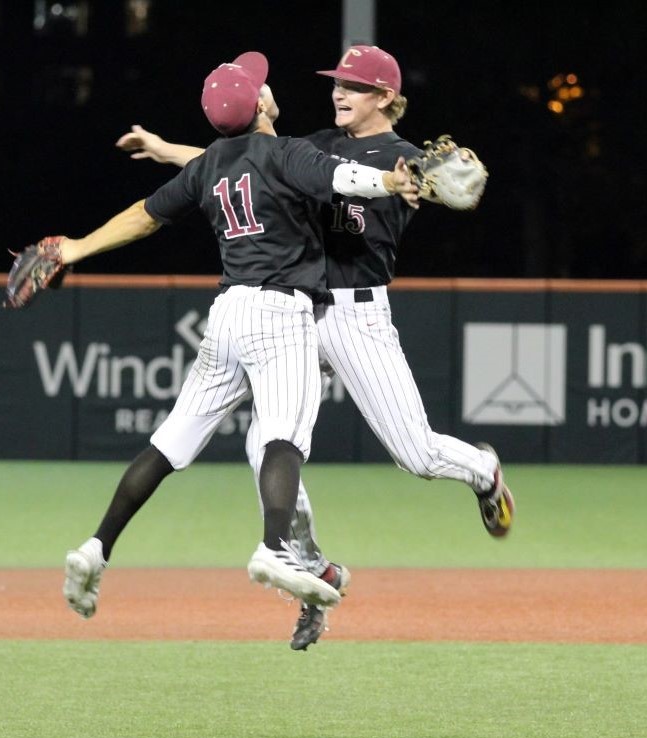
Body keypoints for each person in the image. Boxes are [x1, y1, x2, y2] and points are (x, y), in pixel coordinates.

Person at [115, 45, 515, 650]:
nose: (339, 92)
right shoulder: (313, 145)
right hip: (292, 312)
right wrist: (167, 150)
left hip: (356, 315)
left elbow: (423, 186)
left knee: (417, 454)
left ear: (386, 96)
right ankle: (309, 575)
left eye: (354, 86)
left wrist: (426, 184)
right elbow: (241, 164)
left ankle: (483, 471)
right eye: (337, 83)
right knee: (264, 449)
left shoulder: (403, 158)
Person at [57, 51, 421, 622]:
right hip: (280, 314)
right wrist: (390, 179)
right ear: (261, 105)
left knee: (170, 441)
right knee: (283, 438)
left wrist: (74, 248)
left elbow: (144, 214)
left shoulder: (214, 164)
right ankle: (275, 548)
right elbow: (343, 177)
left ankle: (95, 548)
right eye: (262, 86)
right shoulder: (286, 152)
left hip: (226, 314)